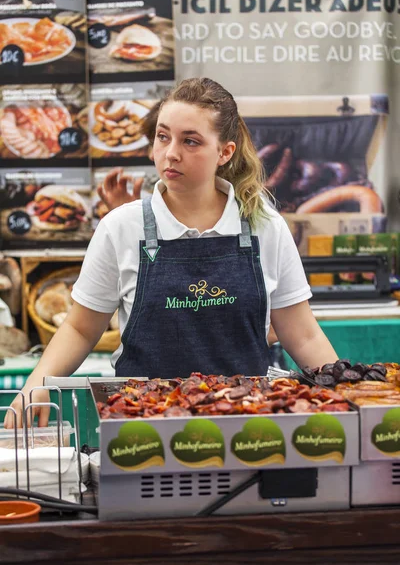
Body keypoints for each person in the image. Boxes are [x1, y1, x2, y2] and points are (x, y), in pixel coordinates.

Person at [5, 77, 337, 429]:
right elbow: (80, 328)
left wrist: (347, 390)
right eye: (163, 137)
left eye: (190, 141)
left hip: (245, 426)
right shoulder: (121, 227)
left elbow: (303, 335)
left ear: (225, 152)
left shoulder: (263, 226)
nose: (170, 153)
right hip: (142, 427)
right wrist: (37, 382)